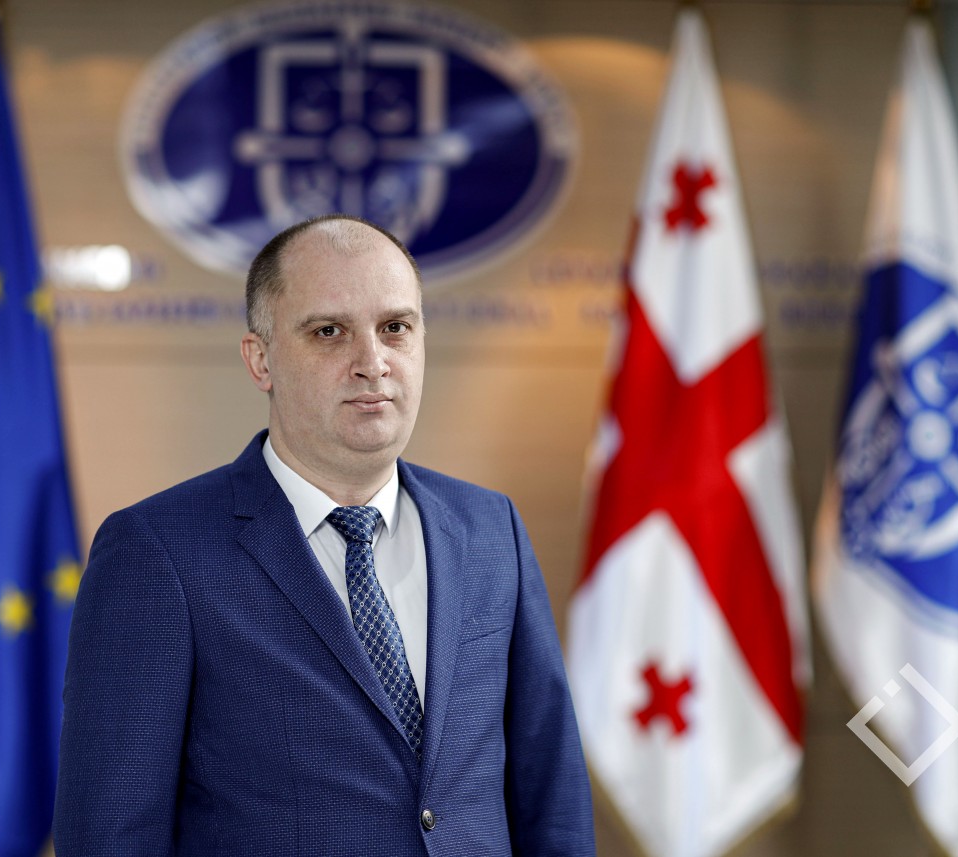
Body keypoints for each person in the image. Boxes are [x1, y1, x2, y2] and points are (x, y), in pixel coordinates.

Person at [53, 214, 595, 856]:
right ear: (261, 359)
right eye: (329, 332)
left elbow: (551, 799)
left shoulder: (490, 529)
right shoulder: (156, 551)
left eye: (395, 328)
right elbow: (110, 833)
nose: (373, 363)